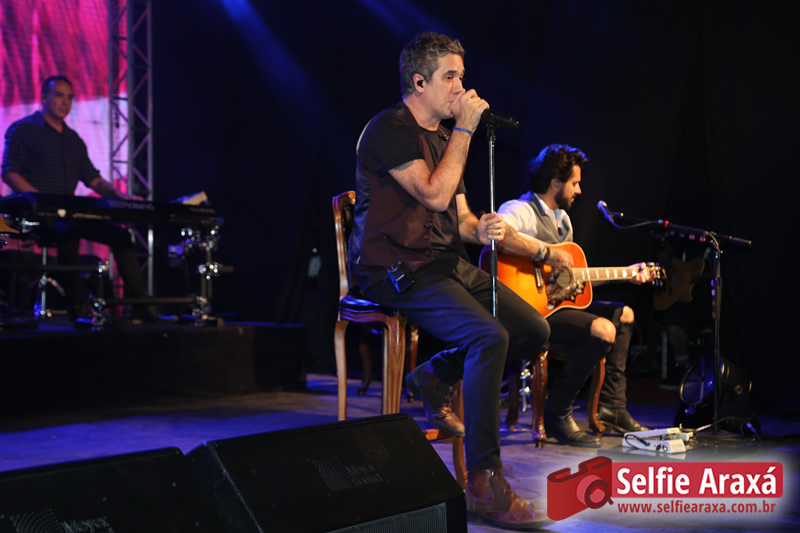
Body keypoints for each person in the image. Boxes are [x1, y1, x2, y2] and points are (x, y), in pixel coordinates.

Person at [349, 31, 556, 529]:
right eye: (450, 77)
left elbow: (458, 216)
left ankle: (434, 374)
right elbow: (434, 194)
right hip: (395, 269)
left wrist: (481, 229)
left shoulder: (446, 138)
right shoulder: (388, 129)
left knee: (535, 329)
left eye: (462, 76)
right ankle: (483, 482)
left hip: (444, 263)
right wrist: (465, 129)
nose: (461, 88)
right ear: (419, 82)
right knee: (488, 336)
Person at [497, 144, 651, 447]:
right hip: (525, 313)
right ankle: (557, 412)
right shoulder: (520, 210)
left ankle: (613, 406)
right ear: (556, 182)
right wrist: (545, 253)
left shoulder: (563, 220)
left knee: (625, 314)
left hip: (554, 308)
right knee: (603, 329)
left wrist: (626, 274)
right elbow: (498, 237)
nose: (579, 190)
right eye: (575, 183)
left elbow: (568, 282)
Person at [2, 75, 155, 323]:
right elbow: (9, 171)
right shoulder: (23, 129)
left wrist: (121, 196)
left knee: (120, 236)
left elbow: (94, 180)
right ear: (43, 98)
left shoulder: (74, 140)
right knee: (68, 233)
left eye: (70, 97)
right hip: (33, 216)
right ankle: (78, 306)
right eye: (59, 95)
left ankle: (140, 306)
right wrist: (38, 200)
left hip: (69, 214)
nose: (65, 102)